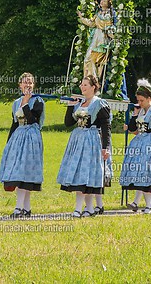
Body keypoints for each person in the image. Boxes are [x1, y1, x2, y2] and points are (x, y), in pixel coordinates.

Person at [57, 75, 111, 218]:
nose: (82, 87)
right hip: (77, 140)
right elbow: (68, 123)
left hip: (91, 141)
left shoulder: (99, 104)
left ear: (94, 87)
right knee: (80, 174)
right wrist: (70, 107)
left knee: (86, 174)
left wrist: (106, 147)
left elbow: (106, 127)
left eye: (85, 85)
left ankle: (79, 209)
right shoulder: (80, 104)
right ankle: (89, 208)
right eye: (81, 84)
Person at [0, 72, 45, 218]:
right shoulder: (15, 103)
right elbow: (14, 124)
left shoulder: (38, 101)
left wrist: (26, 102)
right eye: (25, 83)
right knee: (18, 173)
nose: (28, 85)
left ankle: (19, 209)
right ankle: (26, 209)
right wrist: (8, 144)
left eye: (30, 83)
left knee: (25, 174)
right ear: (20, 85)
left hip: (31, 138)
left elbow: (31, 120)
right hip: (18, 138)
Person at [120, 79, 151, 214]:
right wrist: (134, 114)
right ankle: (150, 205)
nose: (140, 103)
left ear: (149, 99)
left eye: (142, 100)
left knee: (147, 175)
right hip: (139, 144)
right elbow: (133, 128)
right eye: (138, 100)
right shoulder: (140, 112)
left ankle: (149, 206)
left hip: (150, 145)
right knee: (141, 175)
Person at [77, 0, 116, 79]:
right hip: (95, 37)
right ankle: (86, 80)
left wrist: (112, 34)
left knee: (97, 61)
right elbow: (91, 23)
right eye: (102, 0)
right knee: (87, 59)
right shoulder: (98, 13)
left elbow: (111, 28)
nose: (102, 2)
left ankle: (95, 82)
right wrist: (82, 18)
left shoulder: (111, 15)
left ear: (108, 3)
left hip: (103, 39)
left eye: (104, 1)